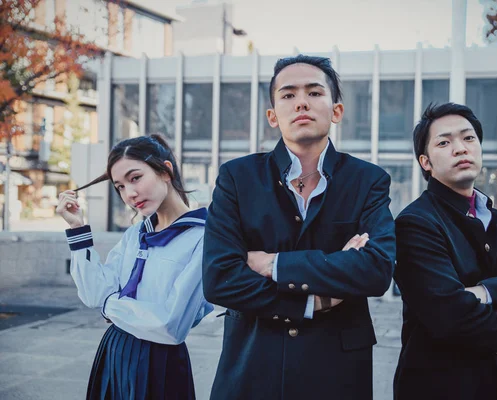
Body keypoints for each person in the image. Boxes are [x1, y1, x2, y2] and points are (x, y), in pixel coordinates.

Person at [202, 54, 396, 400]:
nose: (302, 102)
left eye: (314, 93)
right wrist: (313, 301)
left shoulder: (368, 181)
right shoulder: (237, 178)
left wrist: (271, 264)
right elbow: (220, 278)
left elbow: (376, 271)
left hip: (337, 372)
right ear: (273, 116)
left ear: (336, 110)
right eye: (288, 95)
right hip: (253, 363)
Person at [393, 103, 497, 400]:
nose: (460, 148)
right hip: (438, 386)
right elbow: (447, 317)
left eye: (468, 138)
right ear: (426, 162)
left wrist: (483, 293)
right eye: (444, 142)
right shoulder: (415, 223)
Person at [56, 134, 213, 400]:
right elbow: (95, 293)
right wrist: (77, 229)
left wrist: (111, 306)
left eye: (135, 178)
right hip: (114, 350)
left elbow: (171, 325)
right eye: (119, 186)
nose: (129, 194)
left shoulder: (203, 237)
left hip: (160, 362)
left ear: (165, 171)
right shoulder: (137, 233)